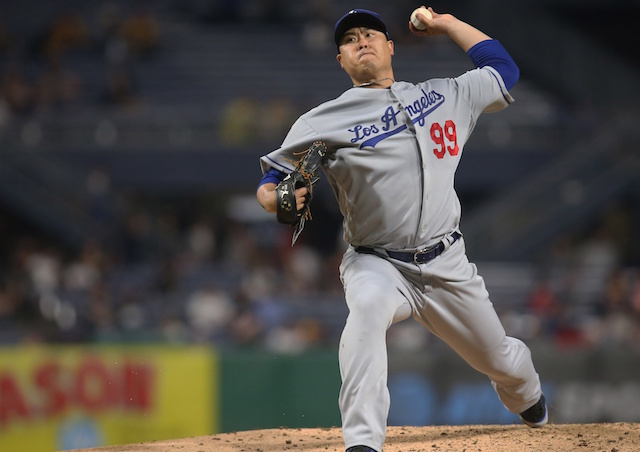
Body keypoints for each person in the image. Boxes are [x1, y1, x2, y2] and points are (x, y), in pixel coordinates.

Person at [256, 7, 547, 452]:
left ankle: (528, 399)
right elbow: (272, 180)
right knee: (368, 310)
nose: (361, 42)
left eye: (370, 34)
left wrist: (447, 24)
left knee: (504, 361)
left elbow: (504, 70)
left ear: (391, 46)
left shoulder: (444, 95)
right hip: (377, 262)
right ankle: (362, 442)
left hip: (447, 263)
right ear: (341, 60)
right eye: (350, 40)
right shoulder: (323, 122)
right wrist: (276, 200)